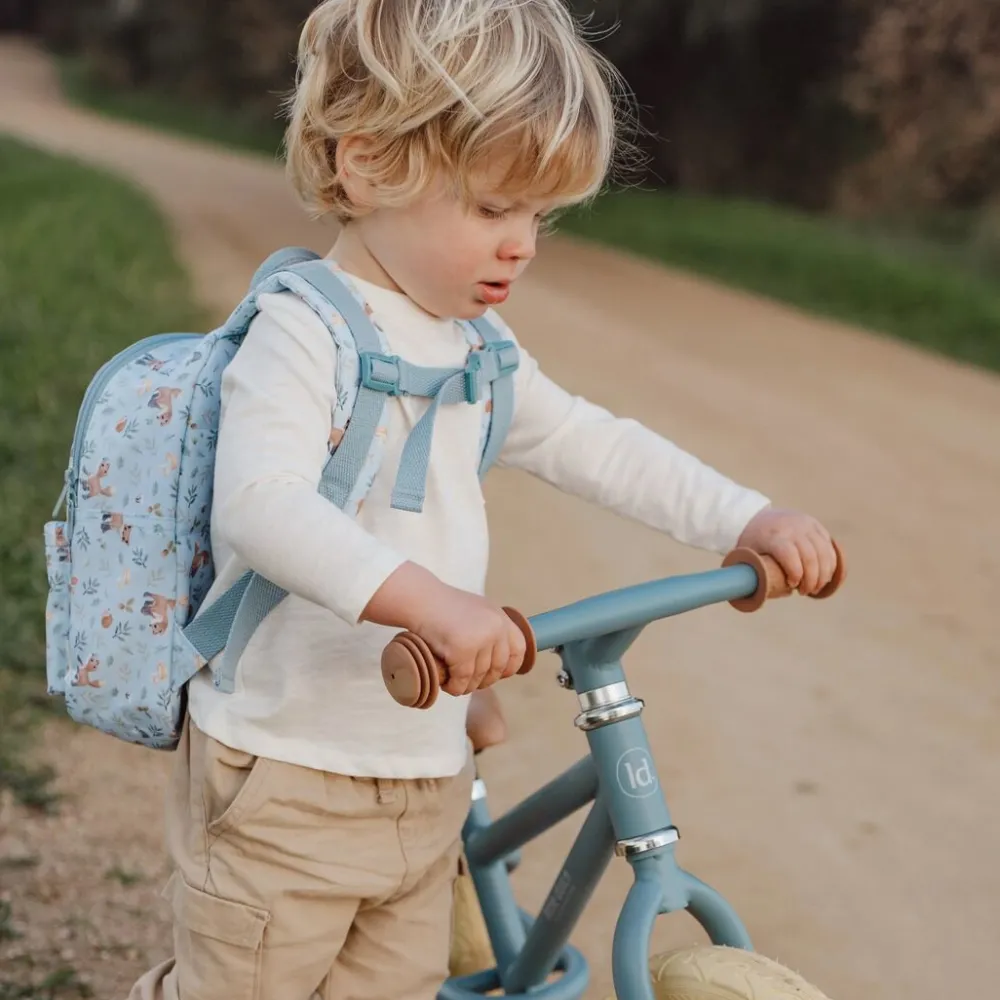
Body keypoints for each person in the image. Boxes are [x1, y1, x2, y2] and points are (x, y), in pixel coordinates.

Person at [129, 1, 839, 997]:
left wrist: (745, 519)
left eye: (539, 217)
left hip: (423, 767)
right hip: (284, 766)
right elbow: (263, 505)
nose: (524, 246)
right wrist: (434, 603)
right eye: (494, 208)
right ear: (367, 166)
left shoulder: (479, 350)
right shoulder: (303, 331)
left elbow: (593, 442)